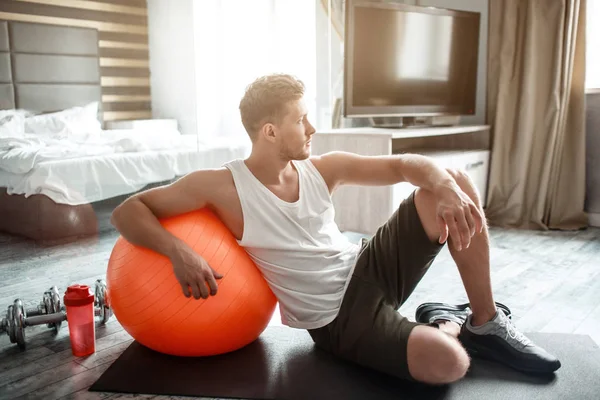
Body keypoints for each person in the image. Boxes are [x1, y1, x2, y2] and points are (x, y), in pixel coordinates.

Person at [111, 73, 561, 385]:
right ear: (269, 131)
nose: (312, 128)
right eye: (300, 120)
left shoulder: (323, 169)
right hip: (337, 319)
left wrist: (442, 184)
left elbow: (405, 165)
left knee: (453, 184)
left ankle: (485, 322)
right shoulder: (222, 186)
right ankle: (446, 323)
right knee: (448, 365)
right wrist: (178, 251)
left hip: (367, 264)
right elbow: (128, 212)